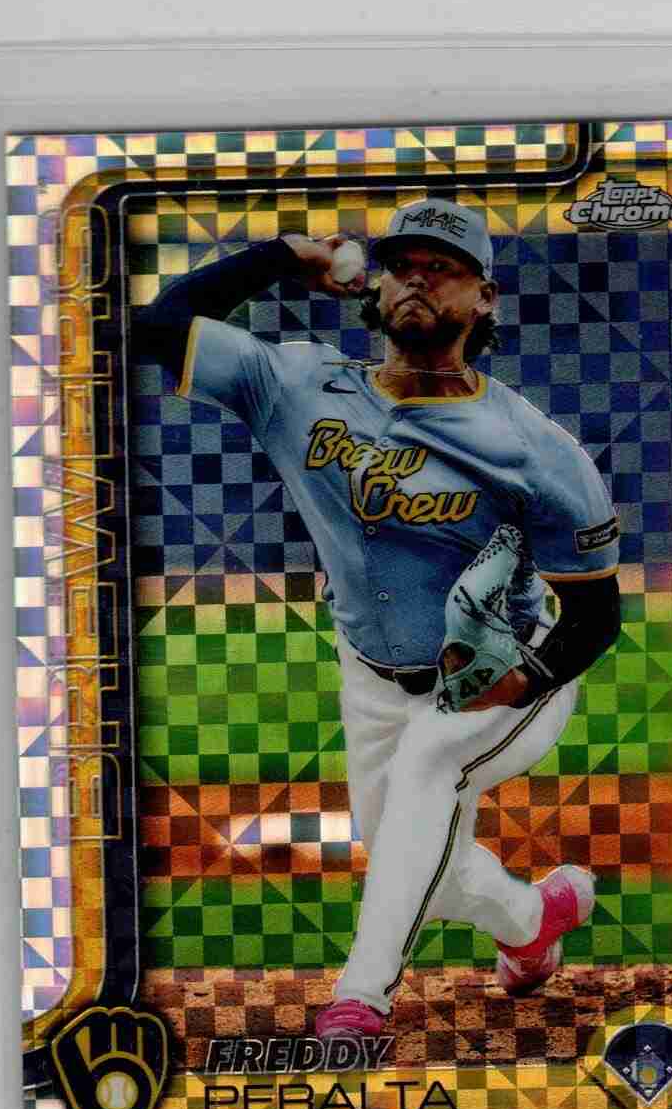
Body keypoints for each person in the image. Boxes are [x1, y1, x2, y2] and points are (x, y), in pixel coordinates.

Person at [133, 198, 621, 1040]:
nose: (417, 280)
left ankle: (361, 998)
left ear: (485, 299)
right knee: (417, 858)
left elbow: (596, 612)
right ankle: (533, 917)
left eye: (443, 268)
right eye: (402, 265)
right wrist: (283, 256)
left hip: (506, 664)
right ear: (376, 286)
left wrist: (523, 679)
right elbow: (156, 329)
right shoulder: (294, 385)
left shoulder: (532, 447)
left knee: (431, 764)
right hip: (372, 676)